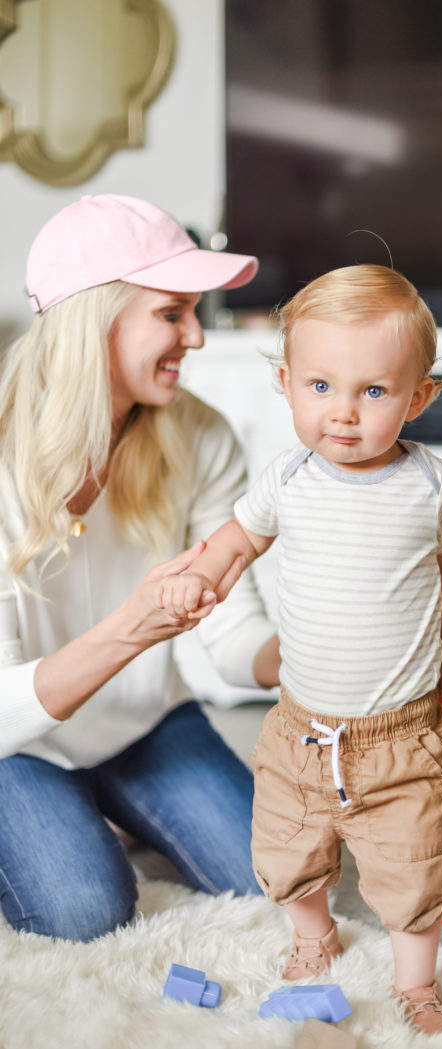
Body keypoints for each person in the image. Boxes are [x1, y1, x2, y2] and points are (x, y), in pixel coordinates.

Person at [160, 263, 442, 1035]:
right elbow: (240, 537)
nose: (342, 412)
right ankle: (314, 934)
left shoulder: (430, 484)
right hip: (301, 729)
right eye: (320, 387)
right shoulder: (287, 480)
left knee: (412, 870)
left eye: (373, 391)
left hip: (401, 737)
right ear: (285, 382)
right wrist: (205, 569)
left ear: (419, 396)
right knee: (286, 852)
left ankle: (416, 985)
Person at [0, 194, 281, 942]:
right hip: (15, 743)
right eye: (172, 312)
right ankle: (67, 813)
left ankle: (109, 806)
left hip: (143, 721)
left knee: (278, 879)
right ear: (99, 315)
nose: (195, 335)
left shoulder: (202, 436)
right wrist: (130, 628)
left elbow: (231, 627)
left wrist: (298, 656)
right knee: (84, 912)